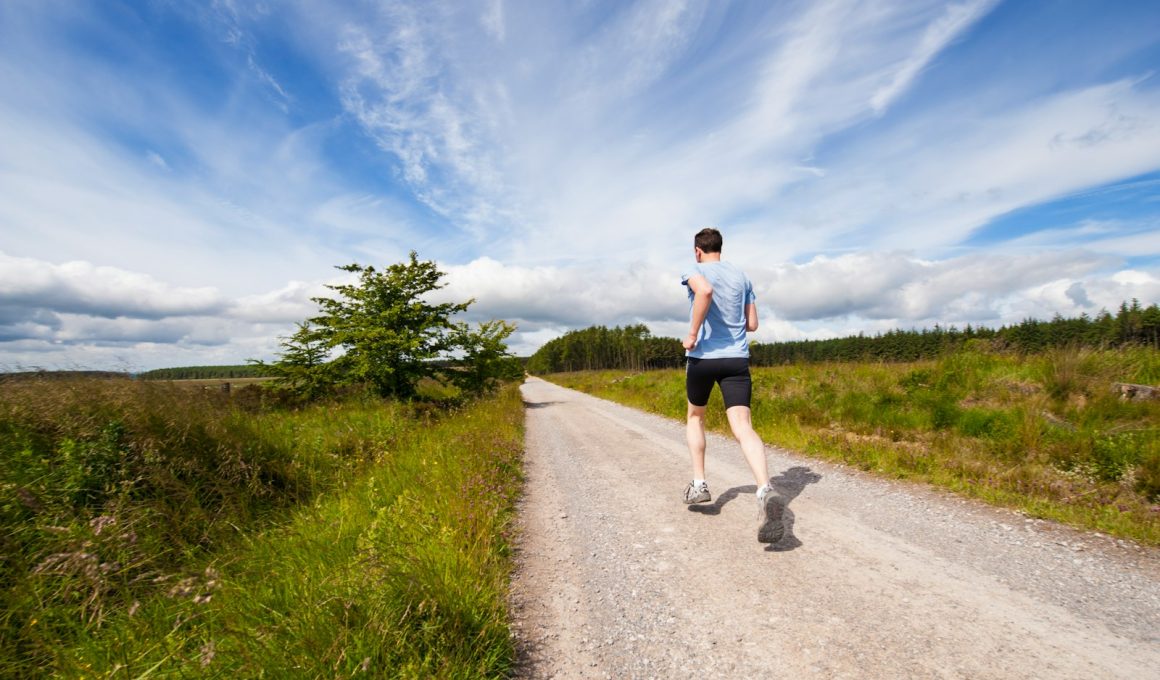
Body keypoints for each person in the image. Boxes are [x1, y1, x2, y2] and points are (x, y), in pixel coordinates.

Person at [680, 227, 784, 543]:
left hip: (702, 358)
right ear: (720, 249)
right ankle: (765, 488)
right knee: (743, 426)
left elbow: (705, 292)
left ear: (698, 250)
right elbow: (752, 324)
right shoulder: (742, 277)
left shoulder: (693, 270)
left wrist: (693, 334)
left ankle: (699, 484)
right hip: (737, 359)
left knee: (696, 416)